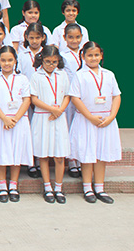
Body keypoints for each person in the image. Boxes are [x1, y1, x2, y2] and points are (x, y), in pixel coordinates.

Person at [69, 41, 121, 204]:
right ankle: (87, 188)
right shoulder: (79, 75)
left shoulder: (109, 74)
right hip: (87, 120)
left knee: (101, 154)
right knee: (87, 154)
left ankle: (99, 188)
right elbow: (75, 98)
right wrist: (90, 117)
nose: (93, 58)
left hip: (105, 120)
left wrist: (111, 116)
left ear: (101, 56)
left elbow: (116, 96)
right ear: (83, 56)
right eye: (90, 55)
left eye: (96, 55)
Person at [0, 46, 33, 203]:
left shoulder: (23, 79)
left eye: (10, 60)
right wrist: (5, 119)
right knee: (0, 152)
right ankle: (2, 185)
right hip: (0, 121)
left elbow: (27, 99)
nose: (7, 63)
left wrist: (16, 118)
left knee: (16, 152)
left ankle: (13, 185)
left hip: (18, 121)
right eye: (3, 60)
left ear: (15, 61)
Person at [29, 45, 70, 204]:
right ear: (42, 60)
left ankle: (58, 188)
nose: (51, 65)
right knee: (44, 154)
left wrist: (59, 110)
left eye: (54, 62)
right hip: (43, 117)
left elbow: (67, 95)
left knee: (59, 155)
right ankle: (47, 187)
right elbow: (34, 99)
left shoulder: (63, 75)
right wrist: (52, 109)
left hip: (59, 117)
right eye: (47, 61)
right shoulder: (36, 76)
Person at [60, 23, 84, 177]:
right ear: (65, 38)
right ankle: (71, 161)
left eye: (77, 37)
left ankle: (81, 159)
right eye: (71, 37)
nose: (74, 40)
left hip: (83, 96)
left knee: (81, 128)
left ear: (82, 37)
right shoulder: (62, 55)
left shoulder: (85, 53)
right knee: (69, 126)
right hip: (69, 97)